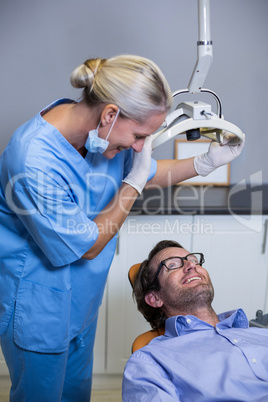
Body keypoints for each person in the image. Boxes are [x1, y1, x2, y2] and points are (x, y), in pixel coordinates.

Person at [0, 54, 244, 401]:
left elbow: (147, 172)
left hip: (80, 301)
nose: (141, 146)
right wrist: (133, 181)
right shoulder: (32, 159)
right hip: (37, 307)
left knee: (74, 395)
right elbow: (89, 244)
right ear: (111, 114)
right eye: (140, 135)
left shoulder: (97, 132)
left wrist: (204, 163)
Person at [123, 240, 268, 401]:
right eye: (172, 265)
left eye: (193, 260)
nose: (191, 266)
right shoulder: (150, 361)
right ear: (155, 298)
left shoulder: (260, 334)